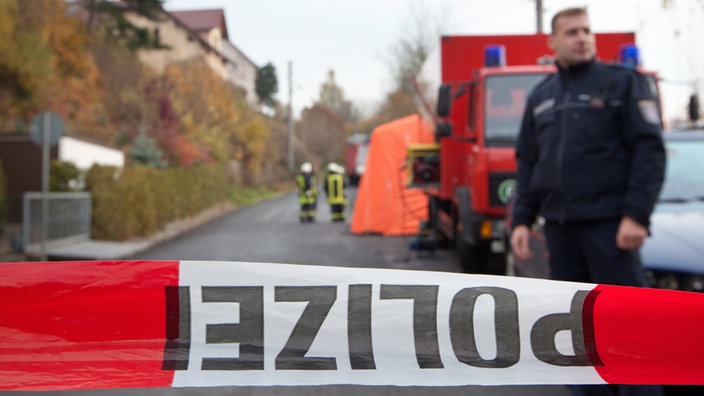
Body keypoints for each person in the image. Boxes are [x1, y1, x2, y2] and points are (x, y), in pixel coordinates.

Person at [510, 7, 666, 396]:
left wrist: (636, 216)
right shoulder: (541, 97)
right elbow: (529, 163)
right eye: (572, 32)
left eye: (587, 31)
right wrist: (520, 221)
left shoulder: (622, 84)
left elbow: (649, 152)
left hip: (610, 230)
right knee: (574, 333)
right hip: (560, 233)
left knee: (628, 331)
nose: (582, 37)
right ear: (552, 42)